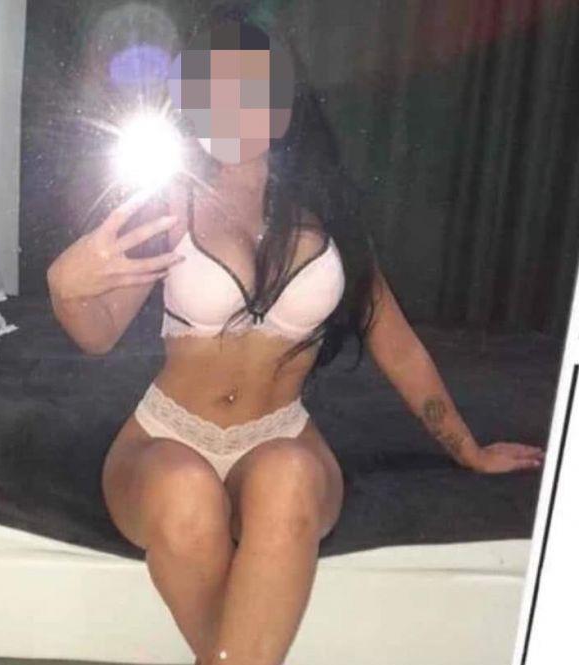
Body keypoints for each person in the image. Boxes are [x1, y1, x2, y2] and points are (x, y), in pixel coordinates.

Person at [46, 7, 545, 665]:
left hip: (280, 437)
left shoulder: (331, 221)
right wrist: (66, 288)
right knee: (184, 491)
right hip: (165, 438)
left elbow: (397, 345)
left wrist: (468, 449)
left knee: (287, 477)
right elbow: (99, 334)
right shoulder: (167, 206)